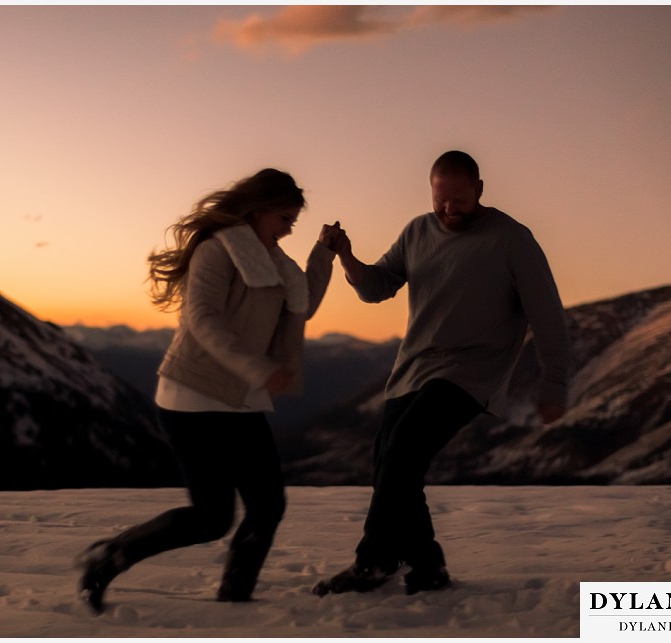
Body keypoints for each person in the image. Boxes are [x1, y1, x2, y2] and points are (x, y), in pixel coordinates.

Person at [76, 168, 342, 612]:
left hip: (240, 398)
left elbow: (303, 303)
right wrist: (257, 367)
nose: (289, 227)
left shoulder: (276, 262)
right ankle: (111, 554)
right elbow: (202, 319)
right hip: (192, 397)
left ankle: (235, 599)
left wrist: (324, 252)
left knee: (267, 506)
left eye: (293, 220)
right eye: (284, 218)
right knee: (212, 518)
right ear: (257, 211)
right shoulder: (217, 251)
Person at [314, 151, 570, 597]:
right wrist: (346, 256)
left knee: (403, 454)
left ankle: (373, 563)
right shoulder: (417, 230)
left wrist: (554, 385)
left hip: (472, 371)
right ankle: (426, 568)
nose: (449, 209)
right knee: (390, 464)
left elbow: (547, 315)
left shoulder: (512, 239)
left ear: (480, 190)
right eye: (440, 200)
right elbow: (376, 289)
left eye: (459, 200)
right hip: (414, 365)